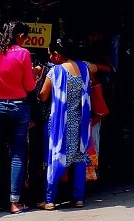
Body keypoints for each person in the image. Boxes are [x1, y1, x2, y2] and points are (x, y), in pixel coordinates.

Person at [0, 21, 38, 215]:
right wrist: (35, 75)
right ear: (19, 35)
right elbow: (30, 87)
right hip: (18, 107)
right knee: (18, 154)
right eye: (24, 37)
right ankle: (14, 203)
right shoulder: (23, 54)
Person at [38, 38, 93, 210]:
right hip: (81, 121)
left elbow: (43, 95)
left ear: (57, 54)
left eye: (50, 54)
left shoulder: (55, 71)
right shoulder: (84, 68)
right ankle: (78, 198)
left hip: (60, 124)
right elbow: (97, 69)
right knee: (79, 158)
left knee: (57, 157)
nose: (50, 57)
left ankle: (49, 200)